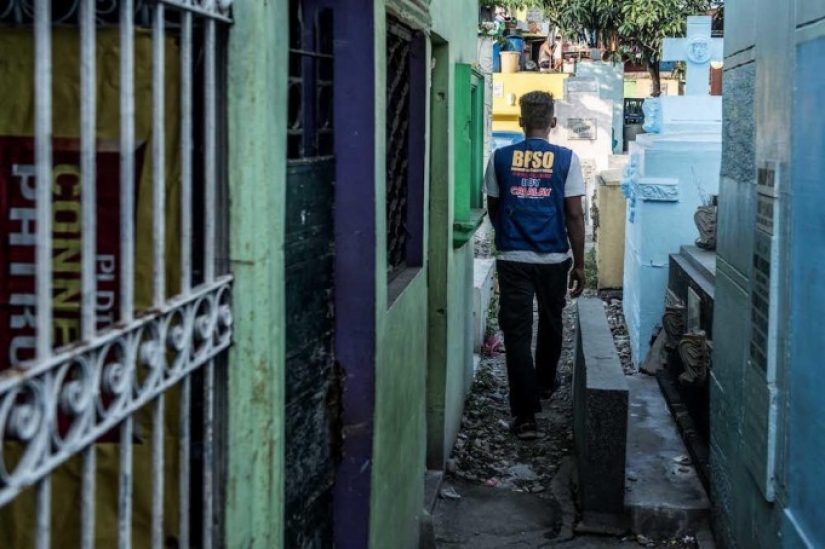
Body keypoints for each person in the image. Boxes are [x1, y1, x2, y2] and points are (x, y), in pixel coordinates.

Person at [483, 91, 586, 440]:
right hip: (554, 258)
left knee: (516, 332)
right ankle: (543, 384)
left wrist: (509, 233)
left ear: (520, 122)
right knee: (552, 321)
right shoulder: (567, 159)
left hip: (513, 258)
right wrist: (580, 264)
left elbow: (494, 207)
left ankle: (525, 415)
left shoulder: (500, 158)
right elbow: (575, 214)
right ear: (553, 122)